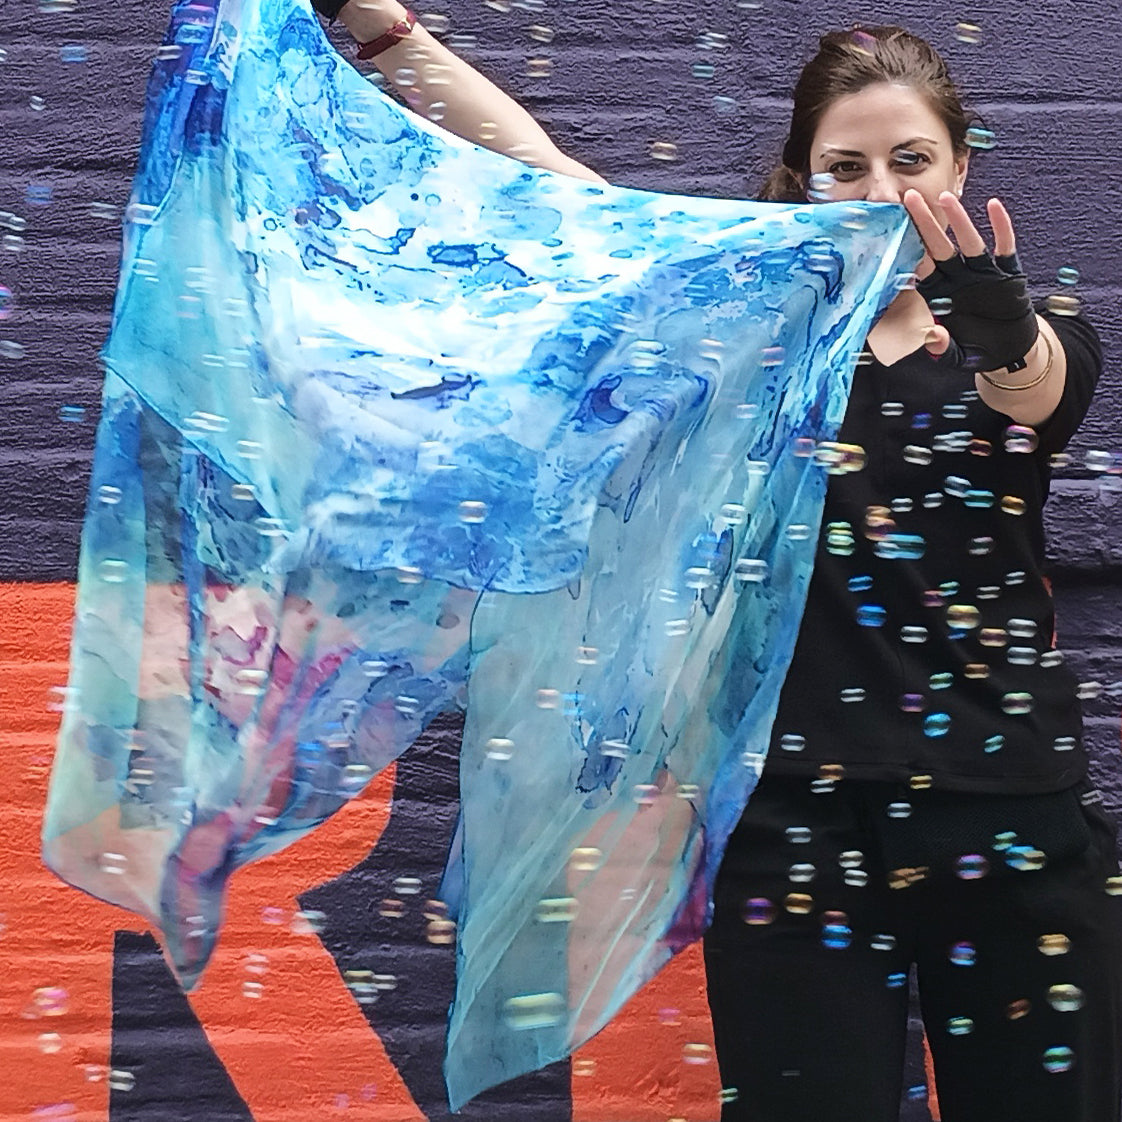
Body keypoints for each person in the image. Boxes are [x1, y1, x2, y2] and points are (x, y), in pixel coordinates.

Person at [309, 8, 1120, 1120]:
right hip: (794, 830)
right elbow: (557, 186)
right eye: (847, 167)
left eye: (911, 160)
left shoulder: (1028, 328)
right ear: (805, 182)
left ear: (959, 169)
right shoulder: (747, 332)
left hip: (1010, 819)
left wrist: (1002, 326)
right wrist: (387, 32)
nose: (882, 190)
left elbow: (1036, 391)